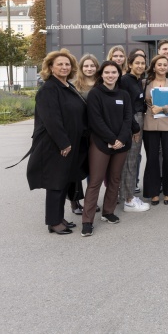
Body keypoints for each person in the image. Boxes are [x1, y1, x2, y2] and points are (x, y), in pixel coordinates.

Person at [26, 49, 87, 235]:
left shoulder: (68, 86)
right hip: (57, 145)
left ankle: (59, 217)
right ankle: (53, 221)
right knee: (56, 182)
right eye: (59, 64)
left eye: (67, 64)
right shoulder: (48, 89)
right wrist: (63, 143)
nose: (64, 67)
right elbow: (52, 119)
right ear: (51, 67)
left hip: (70, 143)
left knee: (65, 180)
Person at [81, 61, 133, 237]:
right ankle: (87, 221)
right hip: (101, 143)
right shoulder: (95, 94)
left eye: (114, 72)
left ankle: (108, 212)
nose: (110, 75)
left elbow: (128, 119)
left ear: (119, 74)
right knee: (95, 181)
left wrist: (121, 139)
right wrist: (111, 139)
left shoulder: (124, 94)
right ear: (101, 74)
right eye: (107, 72)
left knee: (115, 179)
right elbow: (95, 120)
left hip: (121, 143)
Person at [142, 54, 168, 205]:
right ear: (153, 67)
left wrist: (163, 108)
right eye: (159, 64)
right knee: (152, 158)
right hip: (150, 124)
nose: (162, 67)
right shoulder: (145, 83)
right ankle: (152, 192)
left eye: (165, 65)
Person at [118, 52, 150, 212]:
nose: (140, 66)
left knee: (130, 161)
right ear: (129, 64)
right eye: (136, 63)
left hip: (138, 119)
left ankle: (126, 195)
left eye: (142, 63)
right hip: (132, 122)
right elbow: (126, 107)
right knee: (130, 162)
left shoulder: (138, 81)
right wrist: (134, 128)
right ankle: (129, 200)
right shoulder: (125, 81)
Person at [69, 53, 99, 215]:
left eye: (92, 65)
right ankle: (75, 203)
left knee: (93, 169)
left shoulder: (101, 84)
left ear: (96, 67)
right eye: (86, 66)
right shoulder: (74, 86)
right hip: (79, 133)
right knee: (76, 169)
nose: (89, 68)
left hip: (96, 132)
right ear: (81, 68)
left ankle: (90, 201)